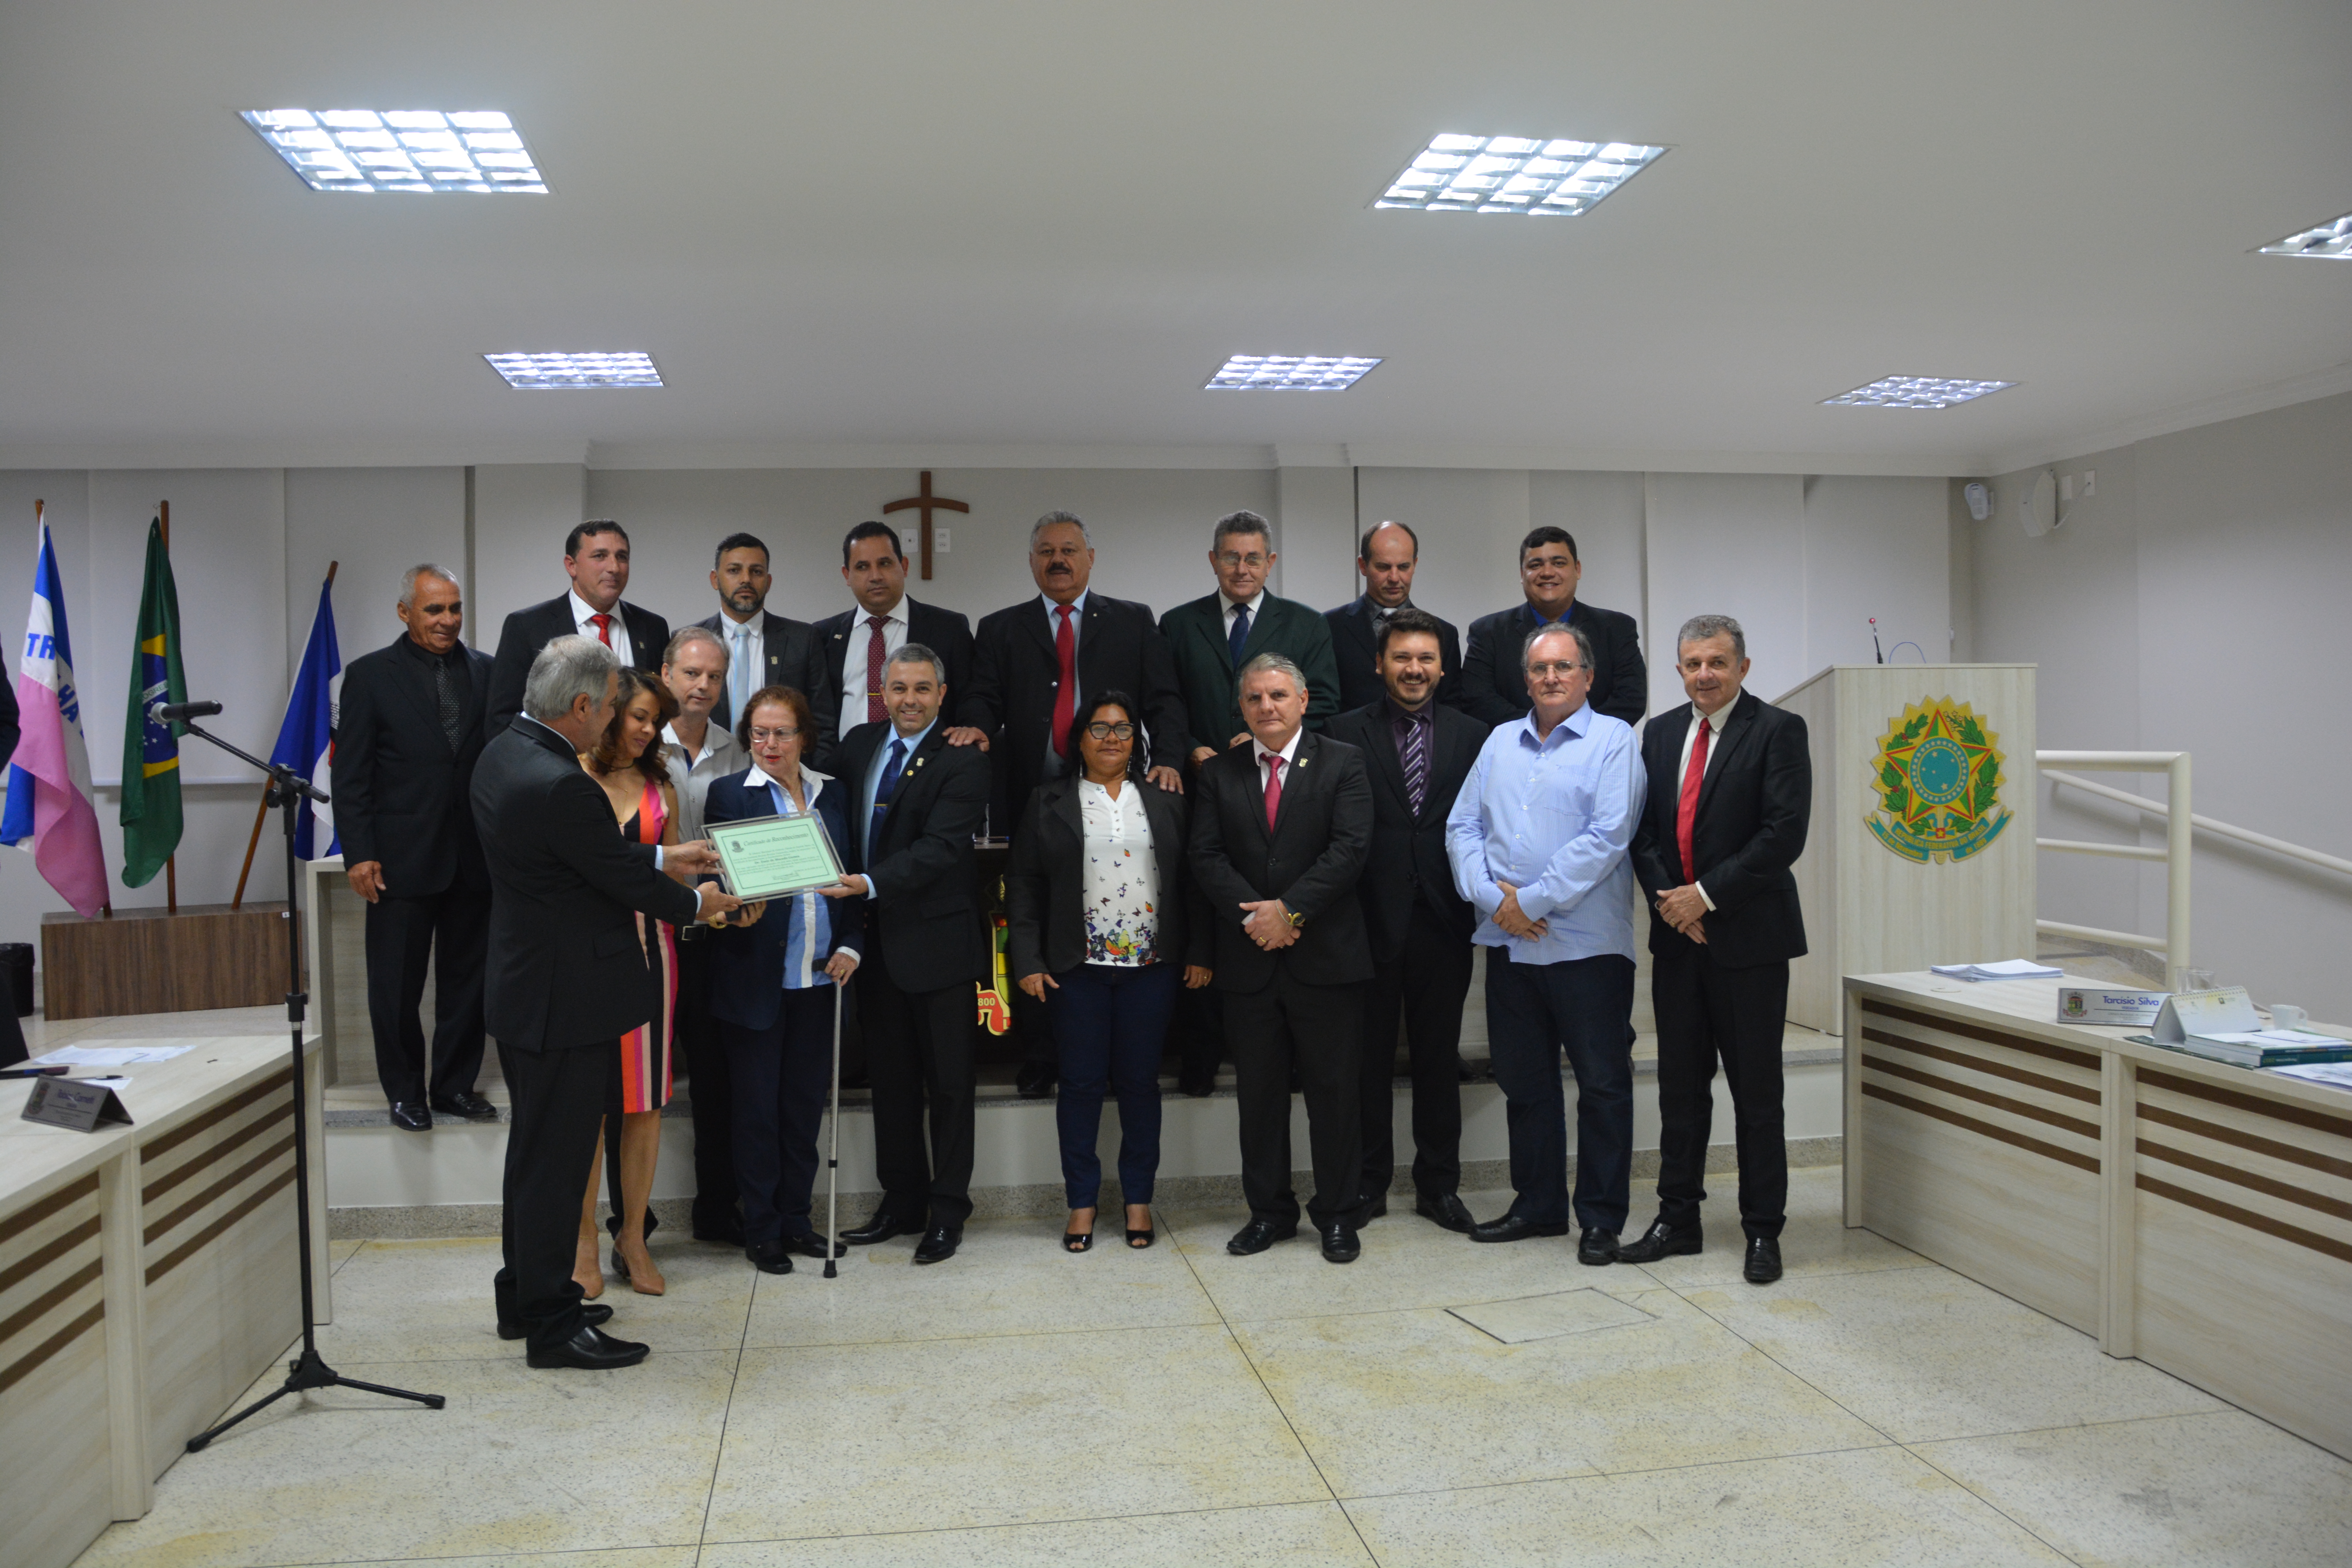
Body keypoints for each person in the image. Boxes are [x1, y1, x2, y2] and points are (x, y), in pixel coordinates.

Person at [472, 635, 735, 1369]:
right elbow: (613, 879)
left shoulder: (505, 755)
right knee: (557, 1165)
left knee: (531, 1156)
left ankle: (521, 1297)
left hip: (524, 991)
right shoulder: (564, 783)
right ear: (582, 706)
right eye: (613, 706)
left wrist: (662, 856)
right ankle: (556, 1325)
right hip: (568, 1001)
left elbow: (580, 854)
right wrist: (699, 903)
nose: (616, 720)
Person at [956, 510, 1189, 1097]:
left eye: (1069, 550)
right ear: (1031, 561)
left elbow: (1164, 699)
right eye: (1045, 551)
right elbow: (983, 695)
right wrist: (976, 729)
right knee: (1033, 921)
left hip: (1120, 795)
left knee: (1114, 915)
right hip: (1036, 804)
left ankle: (1126, 1054)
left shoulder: (1133, 621)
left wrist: (1170, 759)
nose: (1057, 560)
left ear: (1090, 558)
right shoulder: (1001, 627)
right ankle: (1041, 1054)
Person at [1445, 622, 1644, 1266]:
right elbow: (1462, 826)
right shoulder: (1500, 741)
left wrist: (1525, 902)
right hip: (1509, 948)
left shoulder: (1614, 740)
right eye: (1539, 670)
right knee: (1525, 1084)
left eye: (1563, 667)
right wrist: (1491, 898)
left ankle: (1601, 1218)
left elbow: (1608, 837)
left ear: (1588, 676)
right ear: (1524, 679)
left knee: (1604, 1087)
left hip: (1587, 948)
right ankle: (1537, 1205)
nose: (1551, 678)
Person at [1619, 615, 1810, 1287]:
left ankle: (1763, 1231)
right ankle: (1679, 1220)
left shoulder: (1779, 731)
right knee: (1680, 1091)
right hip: (1679, 945)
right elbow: (1641, 834)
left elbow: (1783, 834)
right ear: (1679, 670)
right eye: (1693, 663)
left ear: (1743, 668)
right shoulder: (1662, 732)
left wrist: (1706, 895)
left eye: (1718, 663)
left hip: (1750, 944)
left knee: (1758, 1095)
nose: (1705, 674)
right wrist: (1673, 903)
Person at [1005, 692, 1212, 1252]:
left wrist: (1200, 951)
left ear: (1136, 741)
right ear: (1079, 740)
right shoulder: (1048, 800)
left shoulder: (1166, 799)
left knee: (1142, 1085)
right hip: (1075, 970)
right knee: (1079, 1086)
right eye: (1099, 728)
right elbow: (1022, 884)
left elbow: (1194, 881)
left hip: (1153, 966)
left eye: (1123, 729)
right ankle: (1082, 1204)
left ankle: (1140, 1199)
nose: (1111, 738)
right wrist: (1026, 960)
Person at [1190, 653, 1374, 1264]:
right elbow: (1206, 857)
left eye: (1277, 696)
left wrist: (1288, 912)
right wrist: (1257, 918)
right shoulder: (1219, 773)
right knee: (1259, 1099)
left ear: (1302, 701)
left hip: (1326, 960)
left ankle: (1339, 1215)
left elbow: (1350, 850)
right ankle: (1269, 1214)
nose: (1267, 707)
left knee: (1335, 1095)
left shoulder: (1343, 762)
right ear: (1240, 708)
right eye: (1254, 699)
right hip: (1250, 962)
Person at [1158, 510, 1341, 1095]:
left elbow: (1330, 702)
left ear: (1271, 563)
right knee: (1205, 904)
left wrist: (1265, 737)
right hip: (1202, 784)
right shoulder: (1179, 623)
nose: (1242, 568)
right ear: (1214, 561)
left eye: (1253, 557)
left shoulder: (1306, 624)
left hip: (1281, 790)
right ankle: (1201, 1055)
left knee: (1273, 895)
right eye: (1231, 557)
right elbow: (1165, 704)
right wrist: (1192, 750)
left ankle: (1277, 1050)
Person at [822, 644, 991, 1264]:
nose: (910, 700)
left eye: (923, 689)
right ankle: (902, 1203)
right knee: (892, 1084)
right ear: (882, 694)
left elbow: (944, 848)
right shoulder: (860, 746)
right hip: (874, 947)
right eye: (899, 689)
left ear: (942, 695)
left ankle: (948, 1212)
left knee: (949, 1087)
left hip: (939, 946)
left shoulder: (963, 757)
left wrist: (867, 884)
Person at [1325, 609, 1488, 1233]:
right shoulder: (1341, 733)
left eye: (1425, 658)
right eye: (1401, 658)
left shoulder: (1476, 735)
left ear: (1443, 666)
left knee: (1437, 1060)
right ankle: (1369, 1184)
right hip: (1363, 921)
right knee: (1365, 1063)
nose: (1414, 669)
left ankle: (1438, 1186)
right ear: (1379, 664)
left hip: (1445, 919)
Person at [704, 685, 863, 1274]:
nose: (770, 745)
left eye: (783, 733)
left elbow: (849, 883)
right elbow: (727, 882)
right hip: (755, 979)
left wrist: (851, 943)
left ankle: (798, 1221)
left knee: (802, 1109)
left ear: (805, 737)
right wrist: (736, 904)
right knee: (756, 1114)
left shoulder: (833, 793)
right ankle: (763, 1229)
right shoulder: (729, 794)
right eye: (759, 734)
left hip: (820, 980)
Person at [332, 564, 497, 1131]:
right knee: (396, 987)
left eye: (454, 608)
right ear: (405, 613)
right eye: (434, 610)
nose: (448, 620)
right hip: (399, 862)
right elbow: (351, 775)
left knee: (467, 984)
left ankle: (454, 1086)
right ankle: (405, 1092)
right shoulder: (370, 676)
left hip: (475, 859)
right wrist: (359, 852)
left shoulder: (490, 673)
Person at [574, 666, 690, 1298]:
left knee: (644, 1104)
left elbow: (674, 886)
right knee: (588, 1106)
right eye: (640, 716)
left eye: (656, 720)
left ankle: (633, 1237)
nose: (649, 730)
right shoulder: (571, 777)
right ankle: (583, 1240)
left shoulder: (660, 788)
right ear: (610, 712)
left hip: (653, 956)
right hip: (587, 958)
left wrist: (722, 902)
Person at [657, 626, 751, 1244]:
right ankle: (629, 1220)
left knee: (719, 1085)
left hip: (717, 941)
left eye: (714, 677)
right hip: (653, 938)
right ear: (666, 674)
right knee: (638, 1083)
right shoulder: (635, 742)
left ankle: (716, 1211)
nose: (702, 686)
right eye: (692, 674)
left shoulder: (739, 750)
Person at [807, 521, 975, 773]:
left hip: (926, 773)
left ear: (904, 566)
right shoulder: (823, 635)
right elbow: (818, 716)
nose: (875, 576)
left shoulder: (949, 629)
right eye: (862, 567)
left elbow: (968, 701)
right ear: (847, 576)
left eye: (885, 563)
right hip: (843, 772)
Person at [486, 521, 670, 735]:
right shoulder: (527, 627)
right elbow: (503, 720)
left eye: (622, 557)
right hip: (557, 766)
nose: (614, 568)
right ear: (571, 565)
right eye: (600, 556)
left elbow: (661, 709)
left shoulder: (653, 628)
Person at [1461, 526, 1646, 730]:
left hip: (1596, 752)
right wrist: (1538, 734)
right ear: (1523, 574)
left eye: (1558, 563)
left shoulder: (1617, 628)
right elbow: (1478, 701)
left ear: (1578, 569)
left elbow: (1630, 700)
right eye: (1536, 565)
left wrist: (1576, 735)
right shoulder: (1487, 632)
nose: (1547, 573)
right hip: (1517, 750)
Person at [1324, 521, 1465, 713]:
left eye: (1403, 567)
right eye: (1383, 567)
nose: (1394, 577)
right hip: (1349, 740)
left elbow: (1452, 705)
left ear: (1415, 565)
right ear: (1363, 566)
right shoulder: (1329, 627)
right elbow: (1325, 701)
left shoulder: (1445, 633)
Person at [698, 532, 819, 735]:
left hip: (784, 764)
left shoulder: (804, 639)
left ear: (769, 582)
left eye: (756, 572)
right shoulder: (691, 642)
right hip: (711, 765)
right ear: (715, 579)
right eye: (734, 571)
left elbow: (821, 721)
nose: (746, 580)